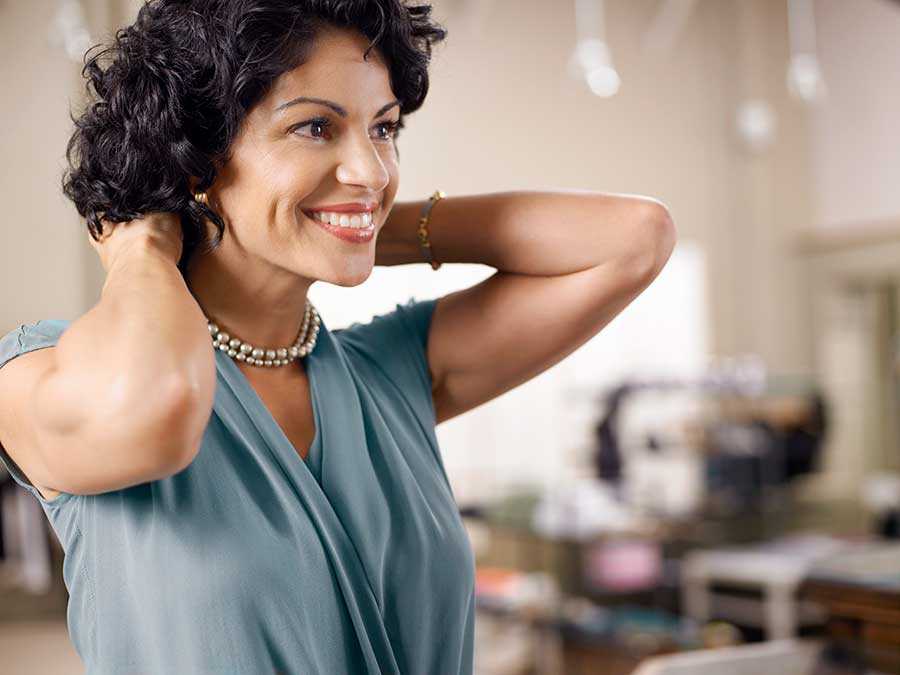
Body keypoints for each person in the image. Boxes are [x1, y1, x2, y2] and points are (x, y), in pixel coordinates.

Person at [0, 0, 677, 672]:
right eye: (317, 127)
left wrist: (358, 222)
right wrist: (140, 244)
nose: (374, 170)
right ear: (195, 161)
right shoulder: (41, 372)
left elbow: (634, 240)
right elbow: (159, 409)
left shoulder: (391, 370)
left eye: (384, 130)